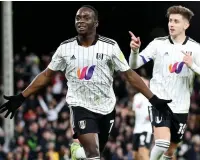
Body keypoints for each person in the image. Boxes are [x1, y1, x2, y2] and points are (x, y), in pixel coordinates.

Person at [0, 5, 172, 160]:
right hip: (80, 106)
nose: (80, 21)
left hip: (106, 108)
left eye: (86, 17)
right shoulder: (65, 48)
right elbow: (46, 75)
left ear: (96, 22)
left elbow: (129, 75)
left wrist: (153, 99)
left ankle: (76, 151)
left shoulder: (110, 47)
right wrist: (22, 97)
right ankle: (83, 151)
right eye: (78, 18)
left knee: (95, 151)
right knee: (93, 155)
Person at [129, 5, 200, 160]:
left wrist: (192, 65)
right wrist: (134, 51)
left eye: (176, 21)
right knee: (161, 143)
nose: (171, 24)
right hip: (159, 102)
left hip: (181, 106)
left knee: (169, 152)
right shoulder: (158, 44)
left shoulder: (195, 48)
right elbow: (134, 65)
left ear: (186, 25)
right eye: (170, 20)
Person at [132, 77, 153, 160]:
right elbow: (135, 111)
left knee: (143, 153)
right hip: (137, 129)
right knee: (135, 155)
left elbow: (159, 109)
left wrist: (152, 115)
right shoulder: (136, 97)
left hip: (146, 128)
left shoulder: (151, 95)